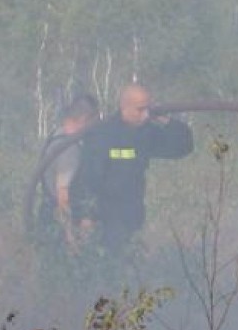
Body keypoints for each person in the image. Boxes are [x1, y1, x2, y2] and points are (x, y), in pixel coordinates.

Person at [70, 84, 194, 255]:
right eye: (140, 110)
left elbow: (182, 147)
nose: (145, 115)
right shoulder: (102, 135)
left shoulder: (146, 134)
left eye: (148, 110)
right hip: (102, 218)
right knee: (106, 267)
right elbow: (87, 178)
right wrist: (86, 216)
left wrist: (167, 121)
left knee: (128, 268)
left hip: (131, 217)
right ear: (124, 107)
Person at [34, 94, 100, 250]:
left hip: (48, 219)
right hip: (58, 228)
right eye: (94, 122)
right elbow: (62, 195)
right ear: (85, 119)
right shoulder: (69, 149)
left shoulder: (56, 135)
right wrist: (70, 237)